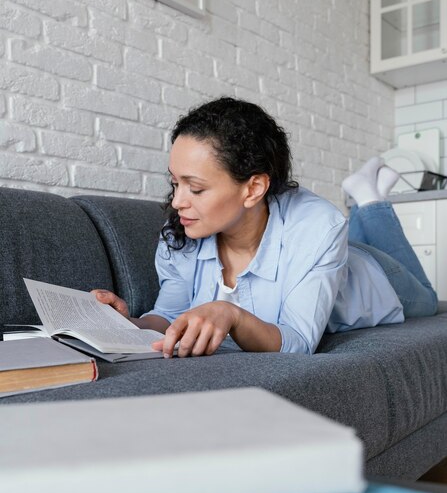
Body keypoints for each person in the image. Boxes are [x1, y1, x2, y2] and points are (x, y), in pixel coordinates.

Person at [93, 98, 438, 358]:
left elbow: (300, 341)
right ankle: (367, 196)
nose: (178, 201)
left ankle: (371, 199)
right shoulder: (184, 229)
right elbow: (169, 315)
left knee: (428, 299)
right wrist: (130, 325)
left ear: (253, 188)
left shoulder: (318, 227)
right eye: (175, 183)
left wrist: (232, 315)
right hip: (328, 252)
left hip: (369, 276)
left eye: (195, 188)